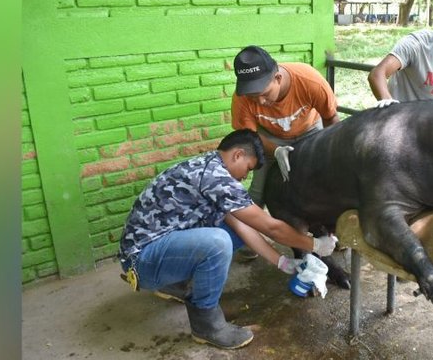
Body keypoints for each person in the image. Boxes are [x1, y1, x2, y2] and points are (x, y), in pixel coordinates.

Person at [117, 129, 338, 350]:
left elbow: (242, 226)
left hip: (154, 249)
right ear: (237, 154)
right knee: (218, 242)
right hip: (141, 261)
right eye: (248, 168)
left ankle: (172, 282)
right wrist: (315, 244)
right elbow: (272, 228)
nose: (245, 176)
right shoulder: (216, 179)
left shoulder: (210, 167)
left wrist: (282, 262)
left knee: (231, 231)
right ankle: (206, 324)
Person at [231, 45, 340, 209]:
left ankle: (325, 228)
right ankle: (249, 230)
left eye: (265, 93)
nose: (260, 101)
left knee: (324, 183)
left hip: (310, 132)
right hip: (266, 137)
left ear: (278, 78)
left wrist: (328, 153)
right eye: (253, 96)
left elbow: (330, 118)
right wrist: (275, 150)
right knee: (257, 192)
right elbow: (249, 137)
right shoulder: (242, 99)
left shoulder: (309, 81)